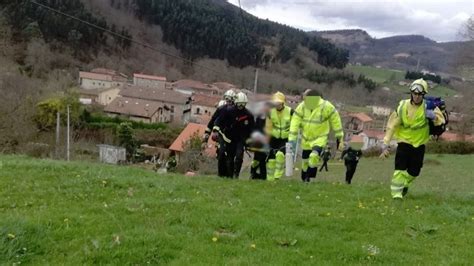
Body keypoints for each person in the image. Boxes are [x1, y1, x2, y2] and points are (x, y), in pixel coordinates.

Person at [380, 79, 445, 199]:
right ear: (411, 93)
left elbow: (441, 122)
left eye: (419, 94)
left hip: (419, 144)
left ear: (423, 94)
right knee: (400, 169)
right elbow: (392, 125)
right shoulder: (403, 106)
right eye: (414, 94)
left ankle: (404, 185)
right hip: (404, 142)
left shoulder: (429, 106)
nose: (416, 96)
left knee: (415, 172)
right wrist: (385, 142)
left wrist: (434, 117)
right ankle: (396, 195)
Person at [288, 89, 344, 182]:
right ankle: (304, 179)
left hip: (320, 138)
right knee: (305, 161)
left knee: (314, 156)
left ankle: (309, 177)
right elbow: (295, 121)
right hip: (306, 139)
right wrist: (292, 139)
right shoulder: (302, 106)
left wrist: (339, 136)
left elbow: (335, 119)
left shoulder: (326, 106)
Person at [213, 92, 255, 178]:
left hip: (240, 140)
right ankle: (230, 176)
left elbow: (252, 129)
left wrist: (250, 142)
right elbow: (218, 121)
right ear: (236, 102)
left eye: (243, 104)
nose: (241, 106)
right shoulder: (228, 111)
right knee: (230, 158)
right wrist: (216, 130)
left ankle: (236, 175)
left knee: (239, 157)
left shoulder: (248, 115)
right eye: (239, 104)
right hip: (229, 139)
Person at [265, 92, 294, 181]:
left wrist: (293, 136)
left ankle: (277, 176)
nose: (277, 105)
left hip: (286, 138)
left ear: (283, 102)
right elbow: (268, 126)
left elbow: (295, 125)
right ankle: (270, 178)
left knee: (280, 155)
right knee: (271, 159)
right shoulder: (270, 112)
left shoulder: (290, 111)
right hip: (273, 138)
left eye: (279, 103)